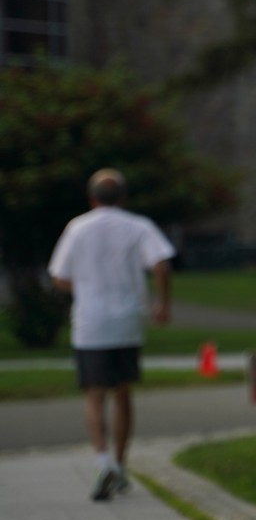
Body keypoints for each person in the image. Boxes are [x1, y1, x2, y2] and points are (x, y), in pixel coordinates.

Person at [48, 168, 175, 501]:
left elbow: (59, 276)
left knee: (94, 395)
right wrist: (162, 304)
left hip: (91, 322)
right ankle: (120, 464)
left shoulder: (77, 228)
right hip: (127, 320)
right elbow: (161, 264)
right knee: (122, 392)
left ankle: (102, 459)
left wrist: (86, 288)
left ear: (91, 198)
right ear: (124, 196)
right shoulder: (138, 226)